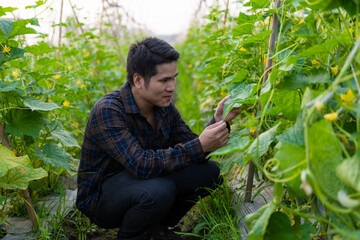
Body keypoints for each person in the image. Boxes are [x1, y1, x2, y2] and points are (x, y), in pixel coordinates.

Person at [76, 37, 241, 240]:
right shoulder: (109, 110)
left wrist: (218, 120)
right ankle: (130, 236)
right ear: (138, 80)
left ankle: (157, 228)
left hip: (140, 185)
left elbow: (193, 151)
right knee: (159, 190)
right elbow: (141, 164)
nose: (172, 87)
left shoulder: (164, 108)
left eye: (173, 78)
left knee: (209, 173)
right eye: (164, 80)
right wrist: (198, 145)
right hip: (102, 199)